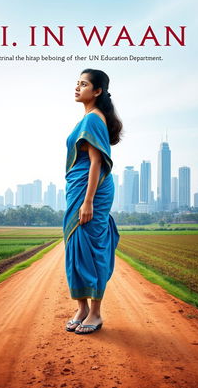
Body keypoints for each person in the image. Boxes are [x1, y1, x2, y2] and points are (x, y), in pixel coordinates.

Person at [63, 68, 123, 334]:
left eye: (83, 84)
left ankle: (95, 313)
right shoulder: (87, 118)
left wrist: (88, 202)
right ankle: (82, 308)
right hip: (78, 188)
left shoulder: (93, 119)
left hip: (92, 191)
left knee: (92, 246)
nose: (77, 88)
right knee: (75, 244)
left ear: (97, 91)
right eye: (77, 83)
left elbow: (97, 162)